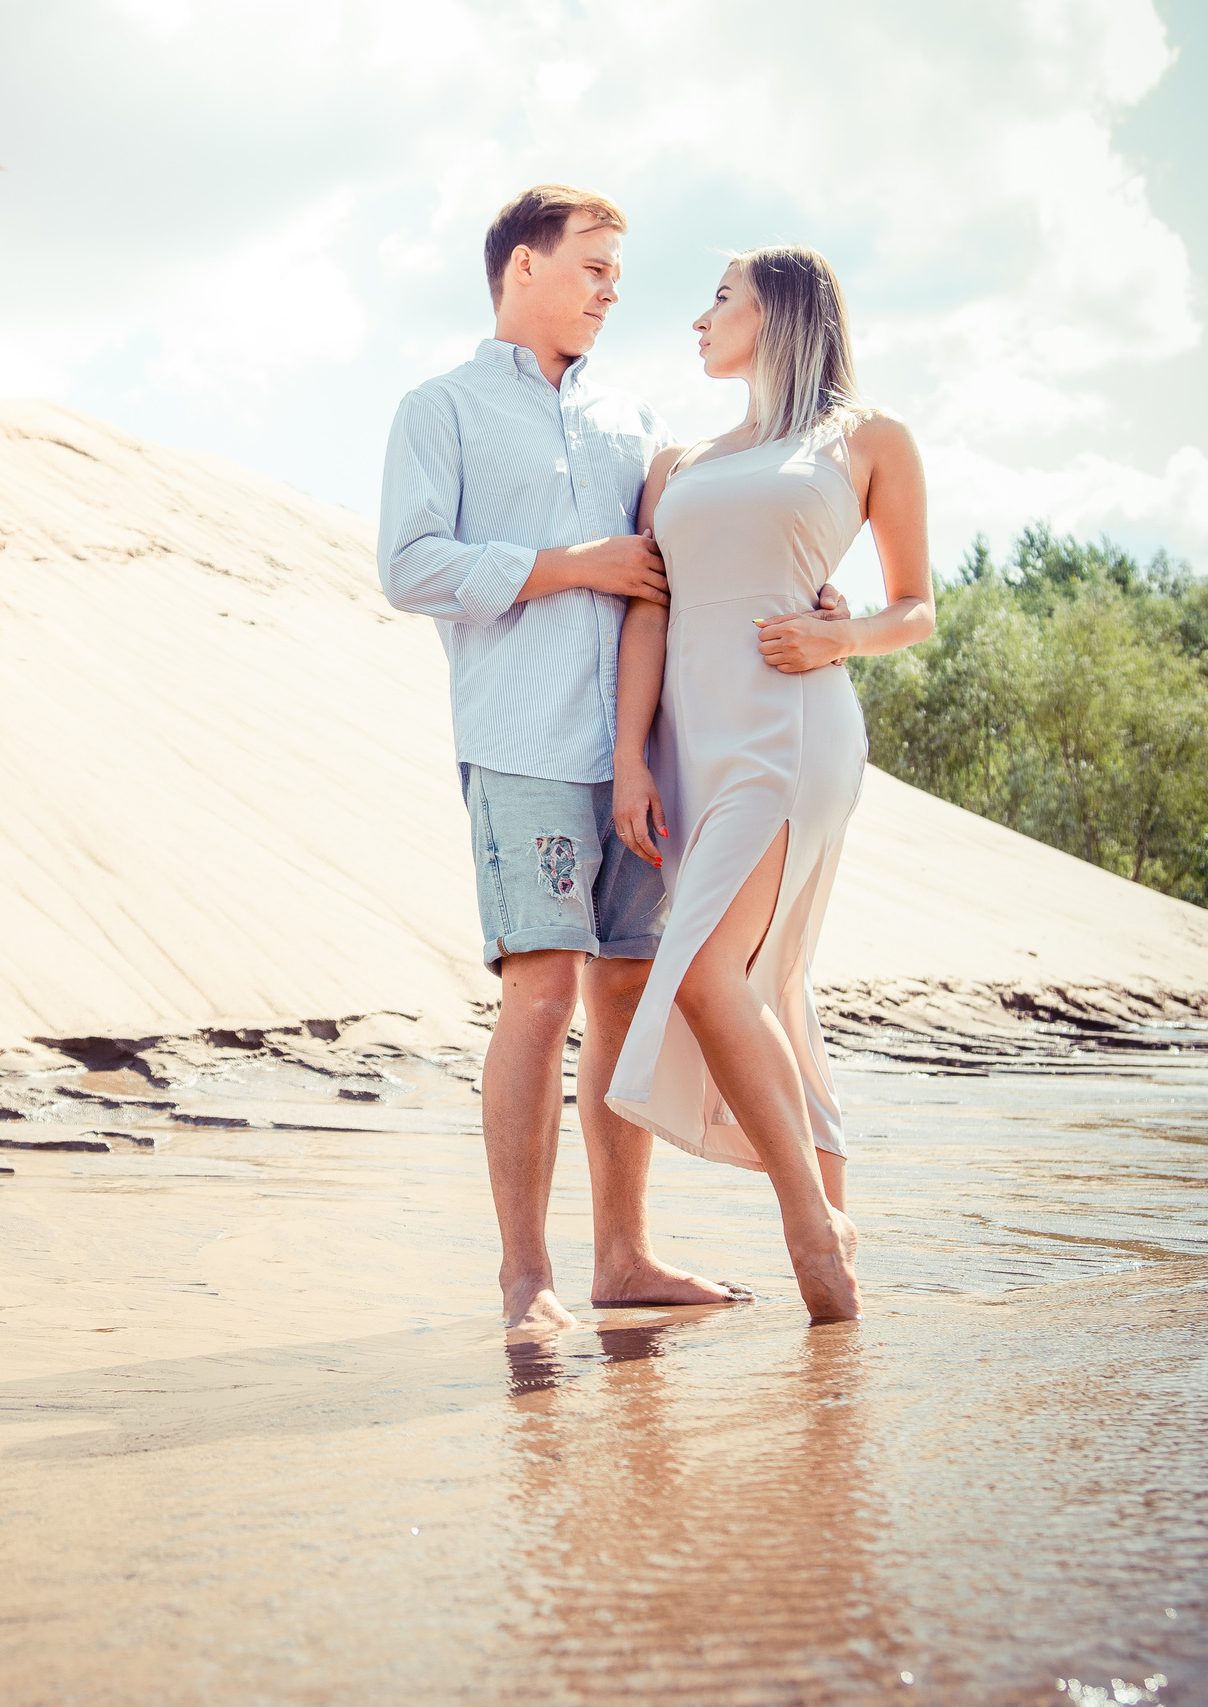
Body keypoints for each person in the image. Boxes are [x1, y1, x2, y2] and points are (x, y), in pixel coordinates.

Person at [378, 188, 846, 1333]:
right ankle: (525, 1276)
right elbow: (408, 566)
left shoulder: (633, 424)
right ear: (522, 268)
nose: (610, 290)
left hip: (645, 759)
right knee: (540, 999)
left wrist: (820, 603)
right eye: (591, 266)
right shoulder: (439, 409)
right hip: (524, 745)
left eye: (617, 273)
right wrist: (568, 565)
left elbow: (685, 570)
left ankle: (624, 1258)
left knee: (630, 996)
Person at [604, 245, 937, 1324]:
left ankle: (810, 1225)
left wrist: (843, 642)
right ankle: (837, 1308)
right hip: (693, 746)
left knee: (706, 977)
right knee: (770, 985)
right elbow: (649, 611)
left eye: (719, 299)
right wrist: (627, 759)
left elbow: (915, 608)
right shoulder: (675, 462)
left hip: (794, 727)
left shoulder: (868, 439)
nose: (697, 320)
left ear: (781, 310)